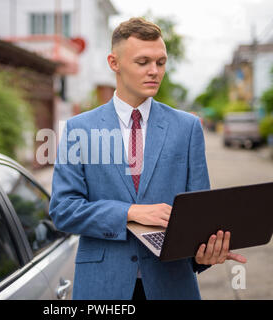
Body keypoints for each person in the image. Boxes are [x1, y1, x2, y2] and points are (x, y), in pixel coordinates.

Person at [49, 17, 246, 300]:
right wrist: (129, 213)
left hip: (172, 283)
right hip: (103, 286)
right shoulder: (79, 129)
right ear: (114, 63)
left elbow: (200, 212)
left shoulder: (187, 127)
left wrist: (205, 252)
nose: (154, 71)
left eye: (161, 62)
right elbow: (64, 210)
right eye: (143, 62)